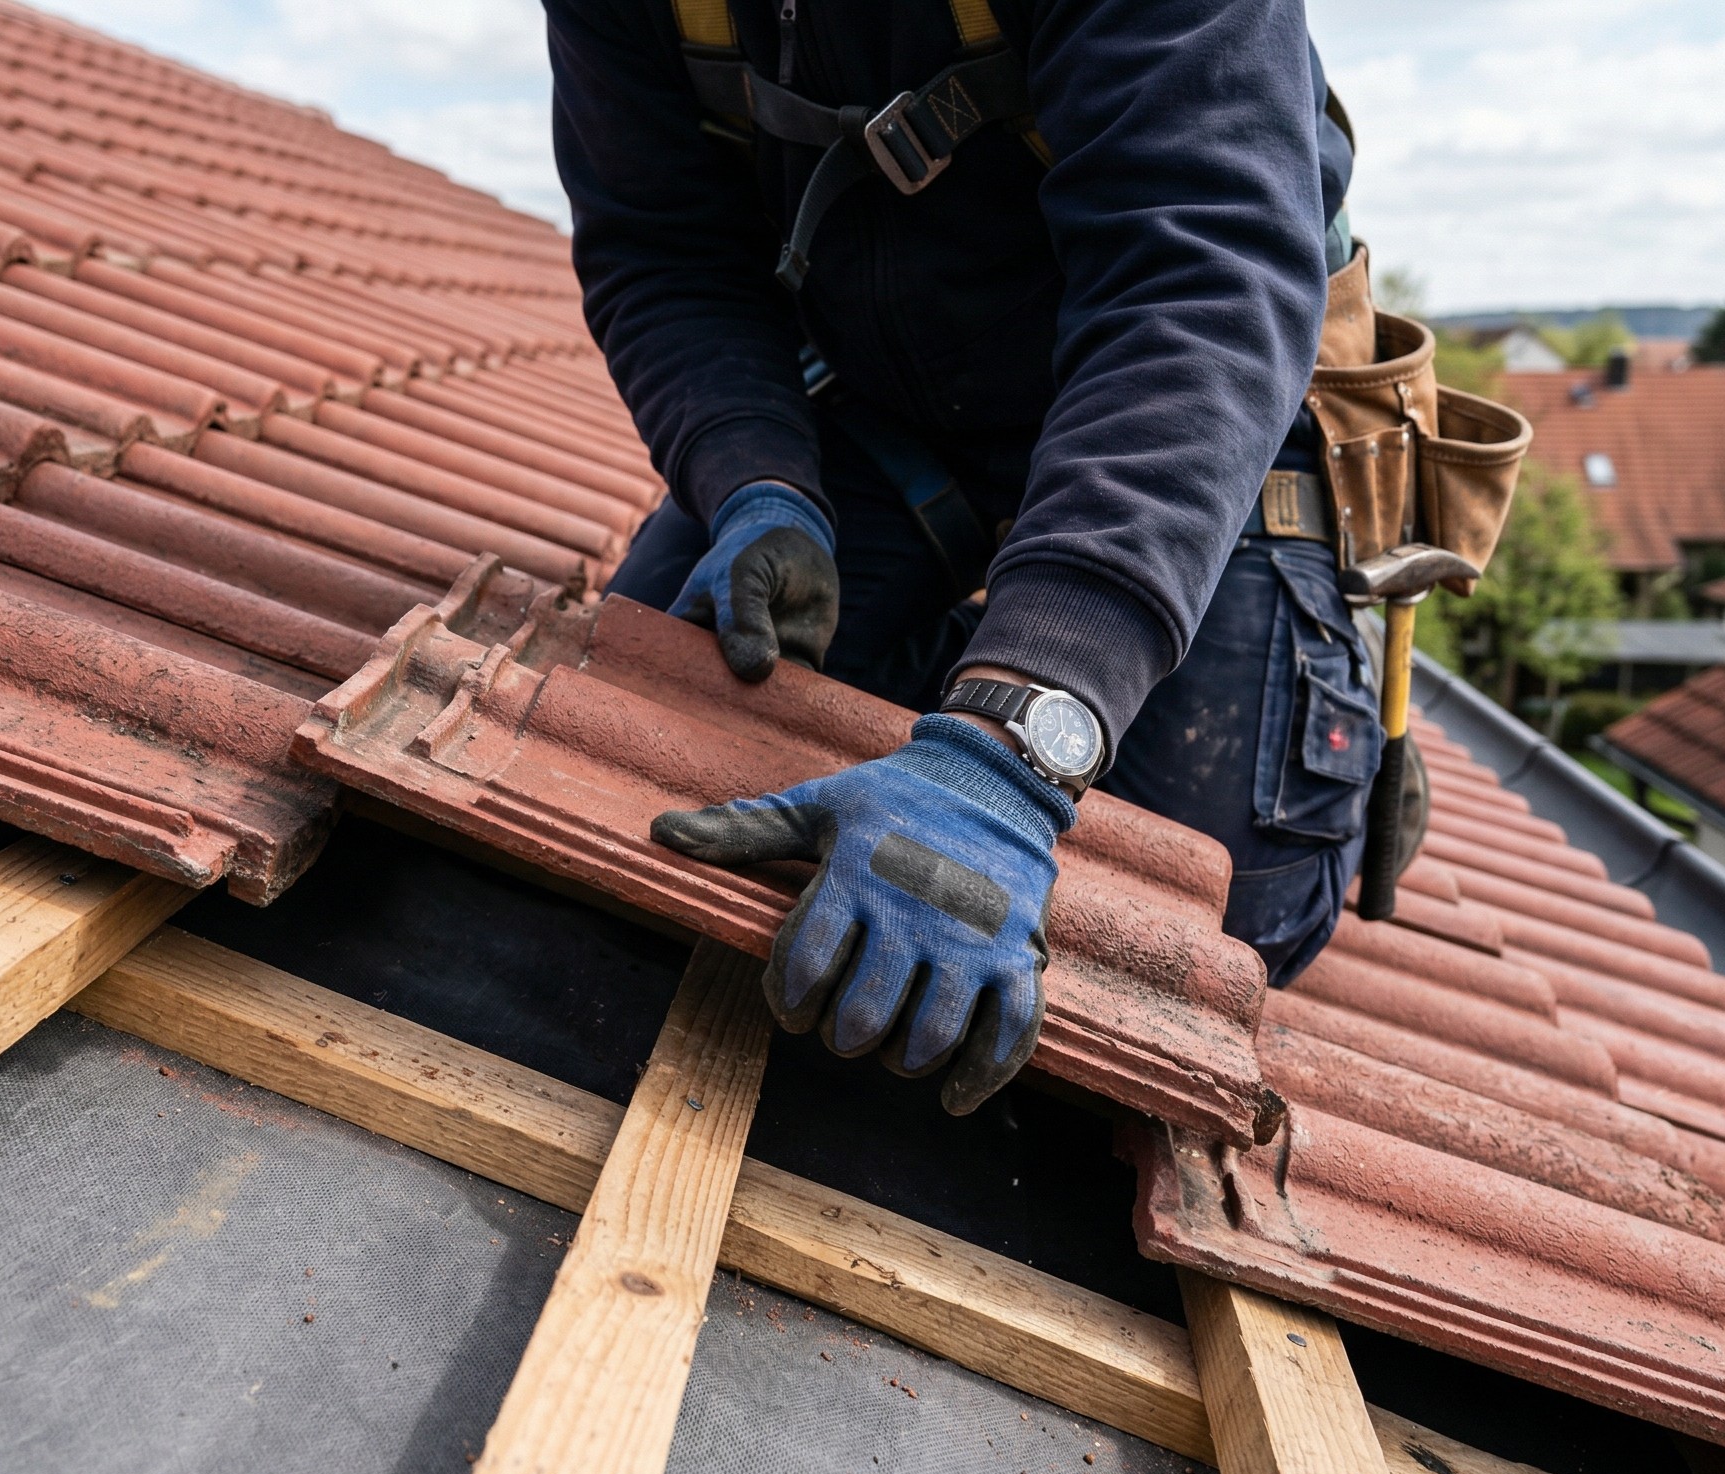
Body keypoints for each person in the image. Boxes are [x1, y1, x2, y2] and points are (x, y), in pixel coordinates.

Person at [546, 0, 1380, 1112]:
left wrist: (1017, 738)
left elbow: (1198, 281)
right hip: (880, 419)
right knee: (629, 760)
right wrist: (752, 479)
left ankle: (1074, 656)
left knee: (1195, 922)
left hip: (1185, 431)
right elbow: (663, 249)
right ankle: (946, 652)